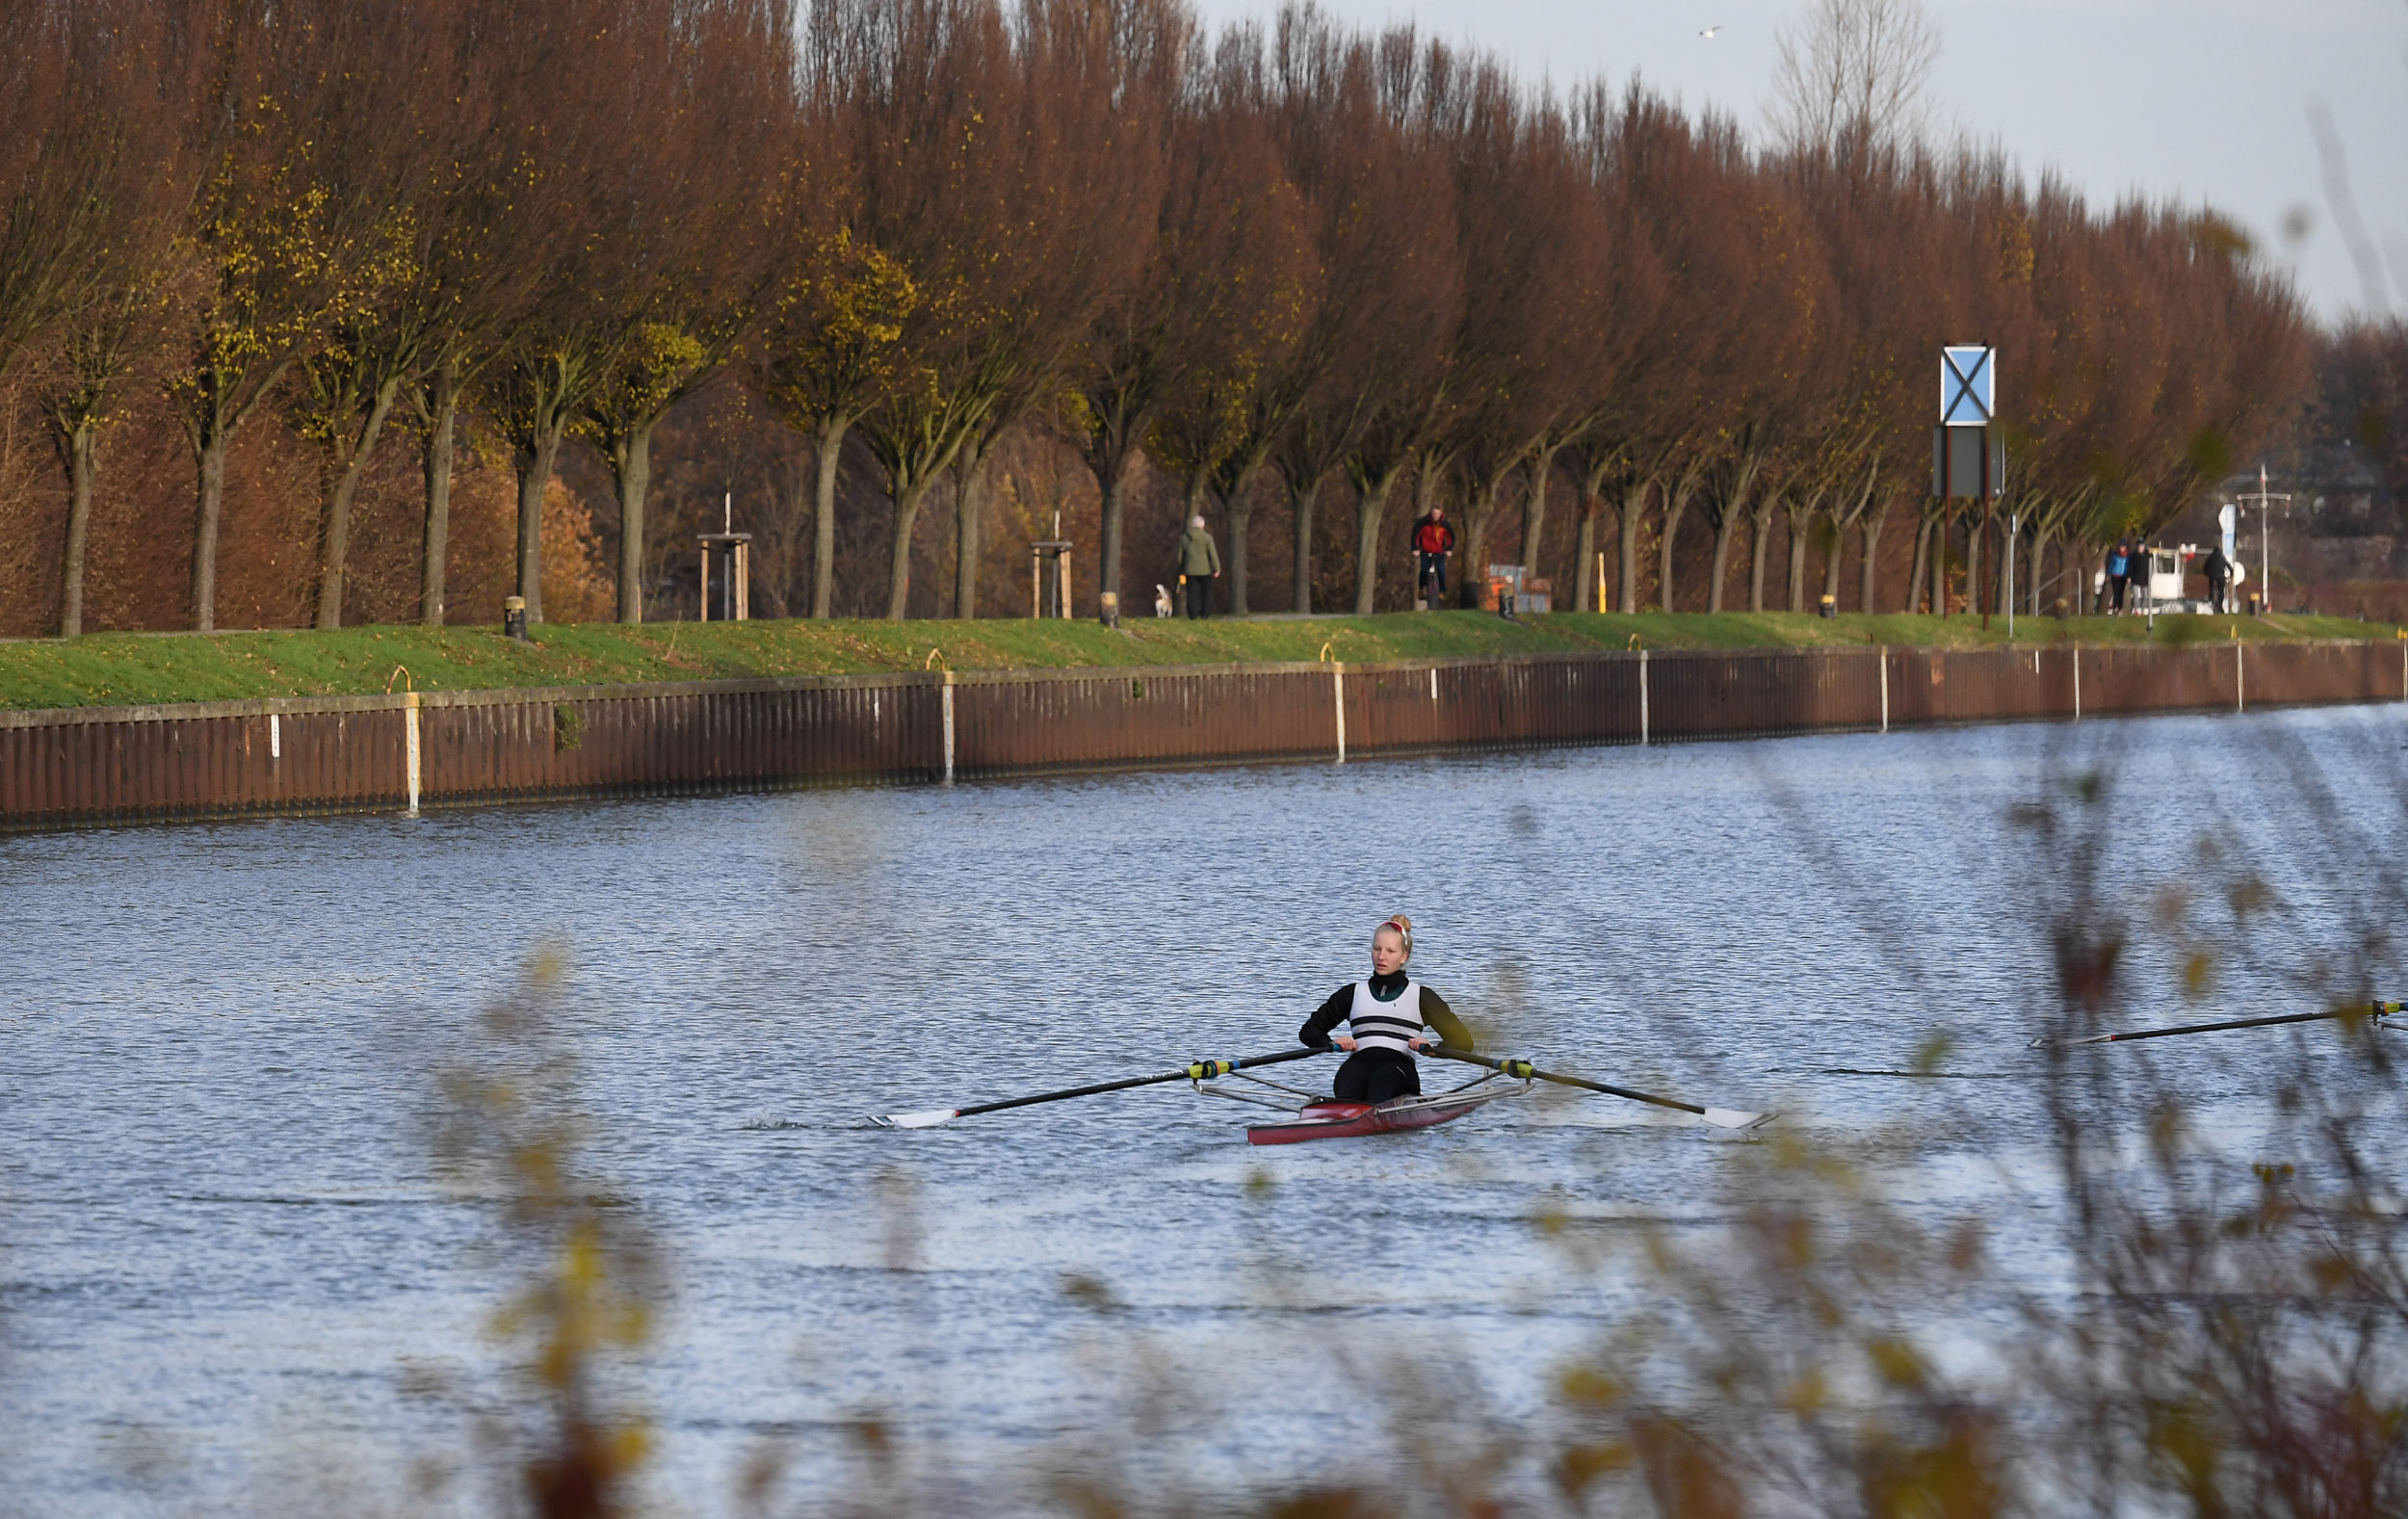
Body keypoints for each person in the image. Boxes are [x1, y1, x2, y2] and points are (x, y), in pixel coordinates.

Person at [1297, 915, 1474, 1104]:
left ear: (1403, 956)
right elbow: (1308, 1032)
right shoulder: (1352, 993)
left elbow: (1464, 1041)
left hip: (1399, 1070)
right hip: (1357, 1064)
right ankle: (1343, 1120)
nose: (1381, 957)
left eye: (1390, 951)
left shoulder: (1422, 997)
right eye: (1377, 949)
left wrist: (1434, 1050)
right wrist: (1331, 1042)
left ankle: (1368, 1120)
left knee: (1382, 1080)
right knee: (1351, 1078)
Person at [1173, 513, 1220, 619]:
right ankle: (1205, 613)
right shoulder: (1207, 538)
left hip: (1190, 570)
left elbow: (1179, 557)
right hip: (1205, 570)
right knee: (1206, 593)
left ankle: (1193, 614)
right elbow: (1213, 554)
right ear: (1203, 526)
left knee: (1192, 593)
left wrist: (1181, 568)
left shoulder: (1184, 538)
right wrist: (1217, 568)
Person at [1411, 505, 1456, 607]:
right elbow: (1415, 535)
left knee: (1441, 571)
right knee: (1423, 570)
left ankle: (1442, 591)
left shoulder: (1444, 524)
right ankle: (1421, 590)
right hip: (1425, 551)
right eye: (1434, 513)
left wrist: (1449, 549)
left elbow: (1451, 537)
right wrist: (1415, 548)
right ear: (1431, 513)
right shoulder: (1423, 522)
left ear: (1441, 514)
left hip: (1439, 552)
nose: (1436, 516)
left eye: (1437, 514)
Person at [2202, 542, 2232, 614]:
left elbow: (2205, 566)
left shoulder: (2210, 557)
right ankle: (2220, 605)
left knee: (2211, 586)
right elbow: (2228, 566)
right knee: (2221, 591)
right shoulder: (2222, 558)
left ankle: (2211, 596)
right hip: (2221, 576)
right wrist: (2232, 573)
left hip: (2212, 575)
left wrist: (2206, 573)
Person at [2106, 540, 2131, 614]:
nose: (2122, 548)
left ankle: (2120, 608)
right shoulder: (2115, 554)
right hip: (2115, 575)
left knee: (2121, 592)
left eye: (2123, 547)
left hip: (2123, 576)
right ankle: (2115, 607)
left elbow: (2129, 566)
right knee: (2116, 592)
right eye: (2121, 547)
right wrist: (2108, 574)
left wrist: (2129, 576)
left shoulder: (2128, 556)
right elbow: (2111, 565)